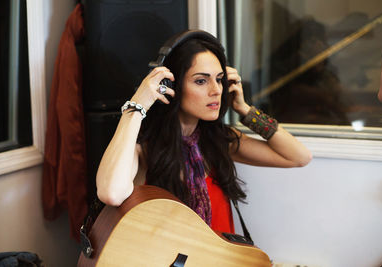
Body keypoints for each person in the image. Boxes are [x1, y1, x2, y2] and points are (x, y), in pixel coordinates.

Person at [95, 30, 312, 234]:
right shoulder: (144, 148)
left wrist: (245, 110)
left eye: (219, 79)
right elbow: (111, 193)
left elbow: (299, 157)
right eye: (201, 81)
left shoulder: (219, 141)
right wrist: (136, 107)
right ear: (171, 85)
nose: (216, 90)